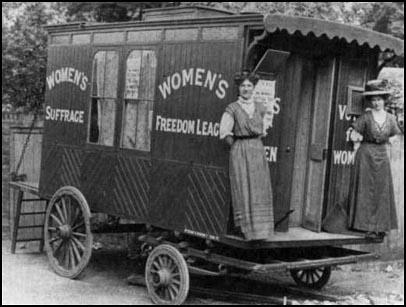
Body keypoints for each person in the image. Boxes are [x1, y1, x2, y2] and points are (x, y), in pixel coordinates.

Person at [219, 70, 274, 240]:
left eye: (249, 86)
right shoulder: (232, 108)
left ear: (254, 88)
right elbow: (224, 133)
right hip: (240, 150)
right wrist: (237, 148)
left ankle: (261, 230)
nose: (246, 89)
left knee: (259, 187)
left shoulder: (261, 108)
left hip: (257, 150)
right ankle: (246, 230)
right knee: (243, 187)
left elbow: (263, 131)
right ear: (239, 88)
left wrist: (253, 144)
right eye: (243, 86)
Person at [348, 79, 402, 239]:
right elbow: (353, 132)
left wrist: (392, 142)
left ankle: (380, 227)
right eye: (373, 100)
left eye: (379, 99)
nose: (376, 103)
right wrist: (355, 139)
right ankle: (365, 226)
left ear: (384, 100)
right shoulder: (366, 117)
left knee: (381, 191)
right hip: (365, 155)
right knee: (365, 190)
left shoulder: (391, 119)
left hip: (382, 156)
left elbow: (395, 136)